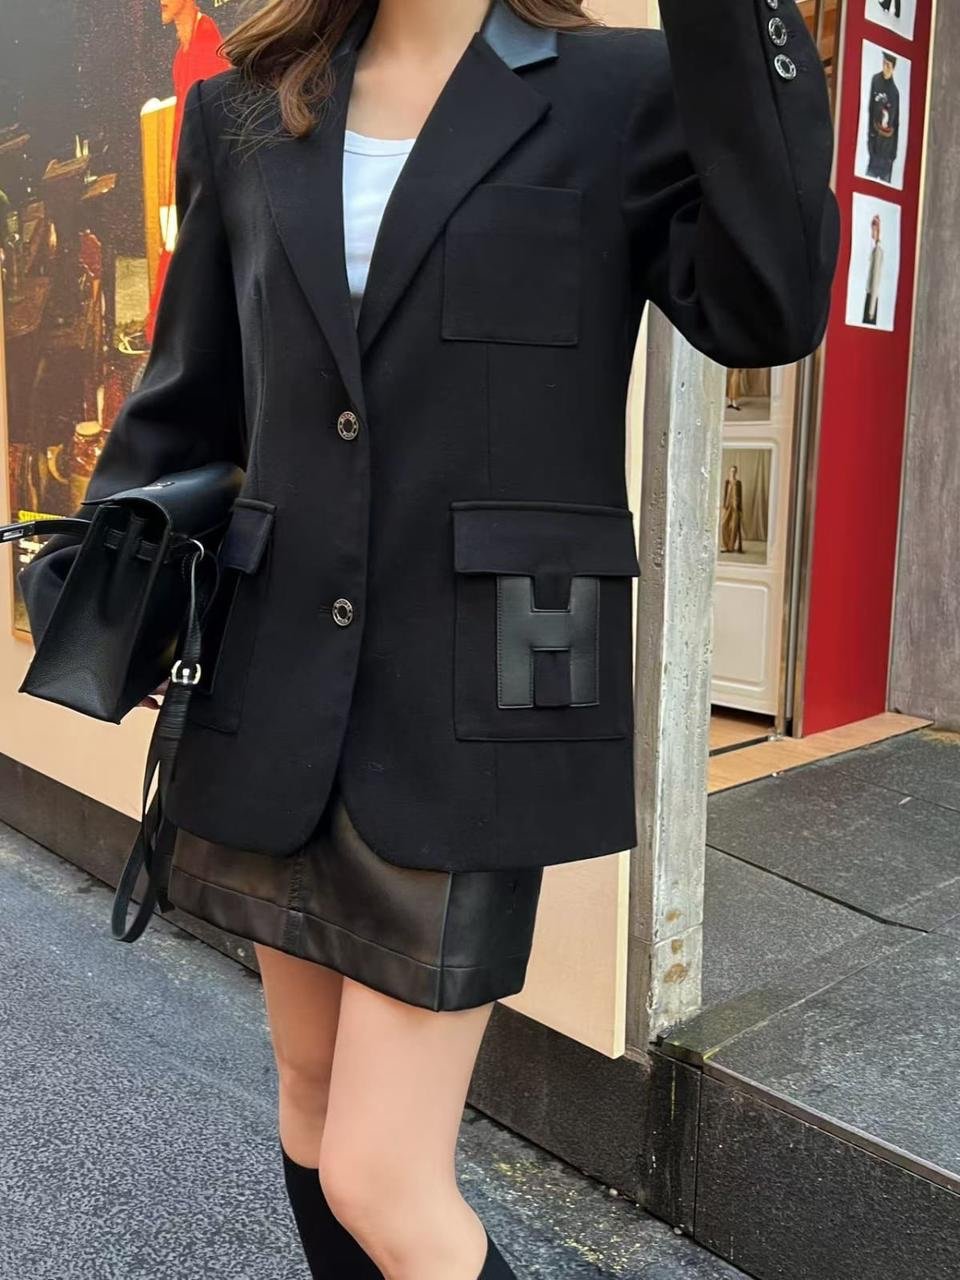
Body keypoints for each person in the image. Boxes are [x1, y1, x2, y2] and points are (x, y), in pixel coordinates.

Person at [18, 1, 840, 1276]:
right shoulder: (247, 108)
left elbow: (771, 308)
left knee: (382, 1173)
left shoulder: (621, 90)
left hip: (480, 693)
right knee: (307, 1098)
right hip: (273, 677)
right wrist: (96, 564)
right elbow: (195, 390)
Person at [145, 0, 231, 343]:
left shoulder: (207, 38)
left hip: (203, 172)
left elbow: (219, 118)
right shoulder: (184, 46)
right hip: (184, 165)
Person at [866, 50, 900, 184]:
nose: (885, 67)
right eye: (884, 63)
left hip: (887, 150)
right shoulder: (875, 80)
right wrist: (870, 139)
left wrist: (893, 154)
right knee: (868, 183)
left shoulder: (895, 93)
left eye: (889, 65)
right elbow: (870, 109)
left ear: (893, 68)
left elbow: (896, 123)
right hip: (875, 144)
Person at [863, 213, 884, 325]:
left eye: (876, 229)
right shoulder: (871, 248)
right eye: (873, 227)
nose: (873, 231)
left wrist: (871, 311)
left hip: (872, 298)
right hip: (867, 295)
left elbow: (875, 282)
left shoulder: (878, 251)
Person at [720, 465, 744, 554]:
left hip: (735, 507)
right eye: (731, 471)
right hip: (728, 506)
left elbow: (740, 496)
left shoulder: (738, 483)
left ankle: (731, 547)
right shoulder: (727, 482)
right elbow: (725, 494)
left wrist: (740, 509)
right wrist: (724, 506)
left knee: (734, 527)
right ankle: (726, 545)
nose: (733, 472)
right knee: (723, 524)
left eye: (734, 471)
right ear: (729, 472)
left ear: (736, 472)